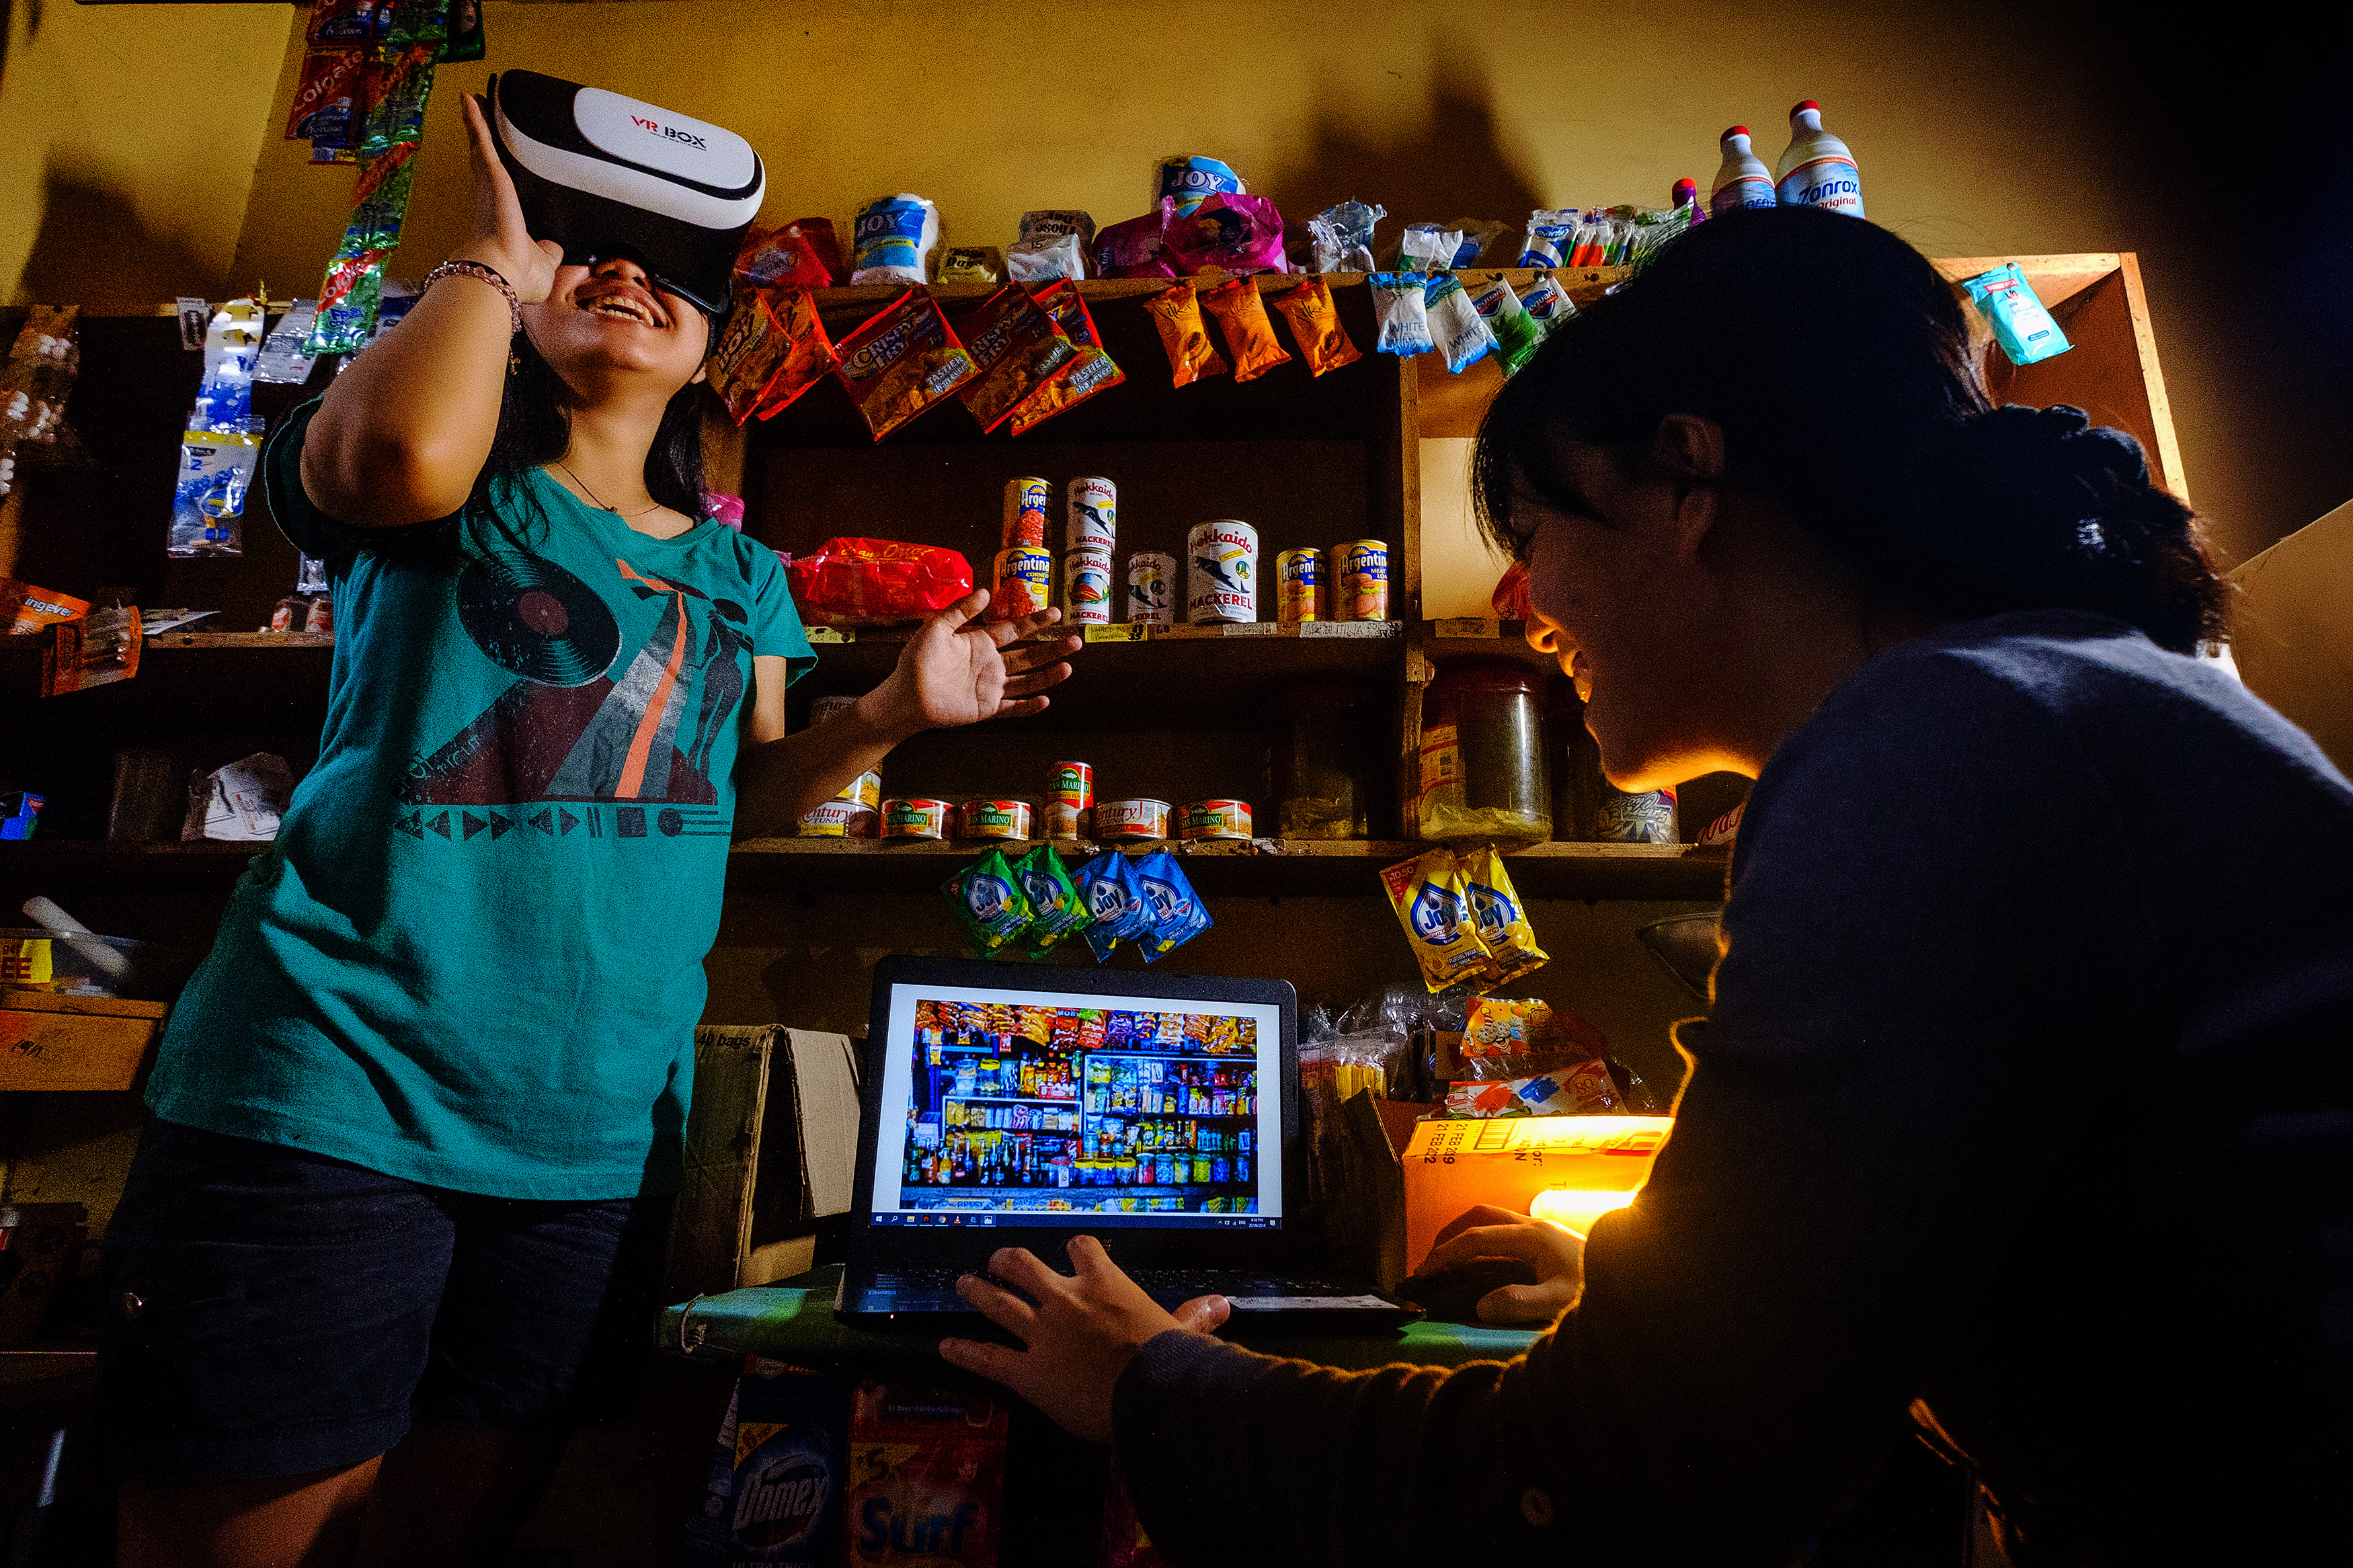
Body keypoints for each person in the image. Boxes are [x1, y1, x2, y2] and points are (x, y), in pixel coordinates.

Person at [937, 206, 2353, 1566]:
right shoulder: (2056, 695)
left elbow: (1591, 1493)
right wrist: (1662, 1313)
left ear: (1685, 481)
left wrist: (1149, 1382)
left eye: (1535, 535)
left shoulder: (1938, 742)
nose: (1520, 604)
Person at [95, 96, 1080, 1568]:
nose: (625, 277)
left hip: (590, 1141)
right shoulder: (445, 476)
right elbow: (392, 464)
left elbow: (722, 803)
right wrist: (489, 260)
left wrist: (884, 715)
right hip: (329, 1099)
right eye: (587, 253)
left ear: (714, 338)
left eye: (670, 269)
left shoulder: (744, 574)